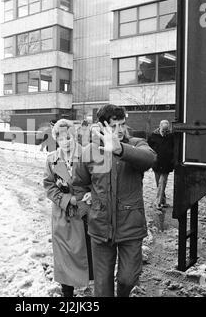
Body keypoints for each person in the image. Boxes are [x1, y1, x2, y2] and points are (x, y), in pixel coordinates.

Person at [73, 105, 156, 297]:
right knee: (102, 288)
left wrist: (120, 150)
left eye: (122, 124)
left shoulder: (136, 144)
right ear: (102, 127)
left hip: (131, 227)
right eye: (114, 126)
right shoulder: (89, 152)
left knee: (128, 279)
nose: (120, 130)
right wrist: (87, 210)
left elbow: (150, 159)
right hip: (100, 228)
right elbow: (78, 185)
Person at [43, 119, 93, 297]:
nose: (65, 142)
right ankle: (67, 296)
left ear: (75, 136)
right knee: (64, 258)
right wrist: (66, 199)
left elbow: (98, 180)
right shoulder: (51, 159)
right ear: (56, 139)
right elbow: (49, 186)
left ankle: (91, 289)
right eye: (60, 138)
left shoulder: (87, 154)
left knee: (89, 256)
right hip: (63, 217)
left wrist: (91, 194)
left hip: (86, 214)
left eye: (68, 137)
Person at [147, 120, 174, 210]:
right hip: (156, 163)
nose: (165, 132)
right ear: (160, 127)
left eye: (166, 130)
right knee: (159, 183)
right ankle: (163, 201)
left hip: (166, 164)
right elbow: (148, 147)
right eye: (163, 130)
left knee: (162, 182)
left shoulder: (171, 136)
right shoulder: (153, 136)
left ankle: (158, 202)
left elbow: (174, 148)